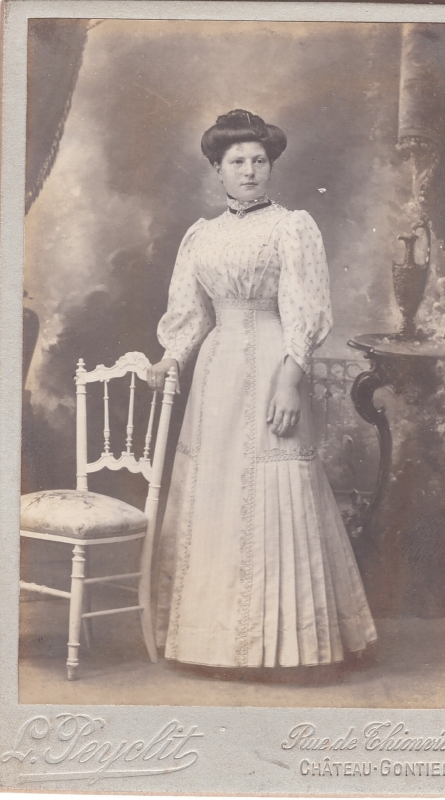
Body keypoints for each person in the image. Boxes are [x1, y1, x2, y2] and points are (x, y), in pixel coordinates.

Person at [147, 109, 377, 670]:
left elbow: (307, 311)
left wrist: (290, 381)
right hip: (217, 372)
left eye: (258, 161)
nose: (249, 171)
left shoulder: (292, 226)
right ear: (217, 170)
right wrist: (170, 357)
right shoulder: (202, 235)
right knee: (218, 493)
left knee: (278, 487)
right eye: (236, 162)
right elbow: (189, 314)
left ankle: (285, 648)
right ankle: (214, 643)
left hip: (275, 361)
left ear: (270, 166)